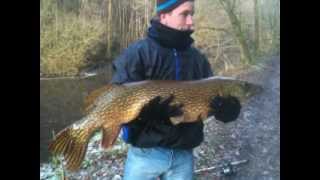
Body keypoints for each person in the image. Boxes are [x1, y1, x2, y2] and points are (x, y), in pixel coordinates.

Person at [110, 0, 240, 179]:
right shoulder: (138, 53)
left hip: (183, 156)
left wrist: (227, 111)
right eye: (184, 14)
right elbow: (116, 100)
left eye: (192, 14)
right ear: (164, 15)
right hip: (145, 154)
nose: (191, 22)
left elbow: (211, 105)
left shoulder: (198, 60)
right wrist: (143, 114)